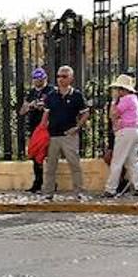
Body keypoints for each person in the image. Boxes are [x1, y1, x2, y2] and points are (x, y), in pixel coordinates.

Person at [41, 66, 89, 200]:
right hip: (53, 135)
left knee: (74, 164)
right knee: (51, 166)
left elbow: (85, 113)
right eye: (58, 76)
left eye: (64, 76)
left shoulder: (77, 95)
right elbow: (46, 115)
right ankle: (48, 193)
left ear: (71, 78)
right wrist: (41, 131)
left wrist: (77, 127)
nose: (60, 79)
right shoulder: (51, 96)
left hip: (69, 135)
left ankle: (79, 191)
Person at [104, 74, 138, 198]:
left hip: (125, 132)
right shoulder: (134, 98)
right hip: (134, 130)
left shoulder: (126, 99)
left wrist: (113, 102)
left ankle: (110, 189)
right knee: (132, 161)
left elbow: (113, 115)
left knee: (117, 161)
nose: (116, 91)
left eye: (118, 89)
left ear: (123, 89)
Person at [18, 67, 49, 192]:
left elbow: (52, 106)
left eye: (40, 79)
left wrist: (43, 105)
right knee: (35, 157)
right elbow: (22, 111)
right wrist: (30, 106)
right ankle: (38, 183)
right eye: (36, 79)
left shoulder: (51, 90)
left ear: (45, 78)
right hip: (33, 128)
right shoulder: (31, 93)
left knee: (47, 156)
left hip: (46, 128)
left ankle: (49, 183)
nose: (38, 81)